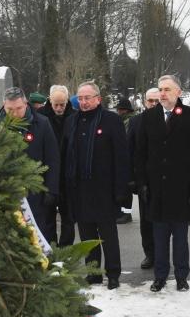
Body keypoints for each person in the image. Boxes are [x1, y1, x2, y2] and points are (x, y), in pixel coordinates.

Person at [135, 75, 190, 292]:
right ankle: (160, 276)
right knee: (159, 235)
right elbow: (140, 153)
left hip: (181, 188)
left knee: (181, 237)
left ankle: (182, 276)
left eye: (167, 89)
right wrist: (142, 183)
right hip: (156, 189)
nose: (162, 94)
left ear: (179, 92)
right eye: (160, 89)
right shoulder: (148, 117)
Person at [62, 81, 130, 290]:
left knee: (108, 236)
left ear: (98, 99)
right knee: (87, 235)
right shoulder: (71, 121)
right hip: (79, 190)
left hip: (104, 190)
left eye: (87, 98)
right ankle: (93, 273)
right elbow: (66, 155)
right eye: (80, 98)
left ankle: (113, 274)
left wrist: (121, 189)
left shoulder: (111, 121)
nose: (83, 102)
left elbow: (121, 156)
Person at [0, 87, 60, 238]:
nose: (15, 113)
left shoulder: (42, 124)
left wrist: (51, 190)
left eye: (19, 108)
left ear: (25, 104)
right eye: (10, 109)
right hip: (4, 194)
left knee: (36, 237)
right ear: (4, 106)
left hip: (35, 194)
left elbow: (52, 158)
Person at [39, 85, 77, 246]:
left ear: (67, 101)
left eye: (62, 104)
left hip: (68, 174)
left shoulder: (75, 117)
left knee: (68, 216)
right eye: (56, 104)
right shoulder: (41, 117)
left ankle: (66, 248)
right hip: (46, 174)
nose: (59, 108)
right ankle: (50, 247)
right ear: (50, 100)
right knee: (47, 216)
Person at [127, 88, 160, 269]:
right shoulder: (135, 122)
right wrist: (132, 179)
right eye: (150, 101)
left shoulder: (170, 119)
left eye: (156, 101)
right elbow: (129, 150)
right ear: (145, 102)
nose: (153, 104)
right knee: (146, 221)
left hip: (166, 181)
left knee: (166, 222)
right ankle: (150, 254)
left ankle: (163, 254)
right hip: (144, 180)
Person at [115, 98, 137, 224]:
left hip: (128, 159)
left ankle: (126, 213)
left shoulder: (128, 121)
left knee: (126, 188)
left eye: (120, 109)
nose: (118, 111)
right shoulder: (125, 120)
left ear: (124, 110)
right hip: (127, 158)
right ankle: (123, 212)